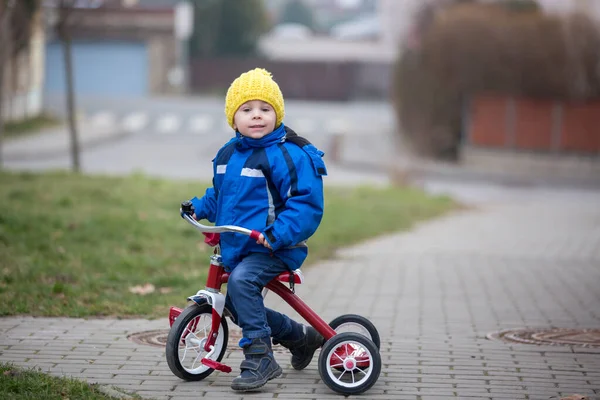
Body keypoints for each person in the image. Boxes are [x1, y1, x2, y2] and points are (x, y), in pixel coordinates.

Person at [188, 68, 328, 391]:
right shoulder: (227, 154)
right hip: (240, 246)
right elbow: (220, 195)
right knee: (236, 303)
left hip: (276, 246)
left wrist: (277, 234)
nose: (257, 116)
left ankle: (260, 357)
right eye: (247, 109)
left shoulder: (285, 155)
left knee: (241, 282)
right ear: (232, 117)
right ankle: (300, 339)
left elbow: (305, 204)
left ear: (277, 114)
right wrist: (199, 206)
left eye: (265, 109)